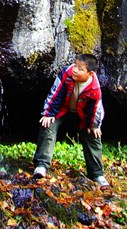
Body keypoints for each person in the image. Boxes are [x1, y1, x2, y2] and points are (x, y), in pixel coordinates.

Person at [32, 53, 108, 187]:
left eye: (80, 69)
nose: (75, 70)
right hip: (62, 109)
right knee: (47, 125)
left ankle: (97, 174)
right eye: (75, 65)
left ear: (90, 74)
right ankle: (41, 165)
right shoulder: (66, 73)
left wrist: (94, 125)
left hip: (82, 114)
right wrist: (49, 113)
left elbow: (96, 108)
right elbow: (55, 93)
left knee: (93, 134)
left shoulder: (94, 88)